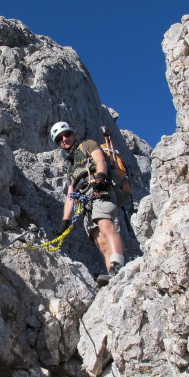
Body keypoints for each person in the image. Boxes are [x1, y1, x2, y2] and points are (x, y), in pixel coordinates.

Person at [50, 121, 125, 285]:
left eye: (67, 134)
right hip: (85, 202)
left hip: (99, 190)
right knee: (100, 241)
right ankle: (111, 275)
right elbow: (70, 195)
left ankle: (118, 266)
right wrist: (65, 222)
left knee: (106, 227)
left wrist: (101, 178)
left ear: (73, 133)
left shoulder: (87, 144)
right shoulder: (70, 168)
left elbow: (100, 161)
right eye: (59, 138)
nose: (64, 139)